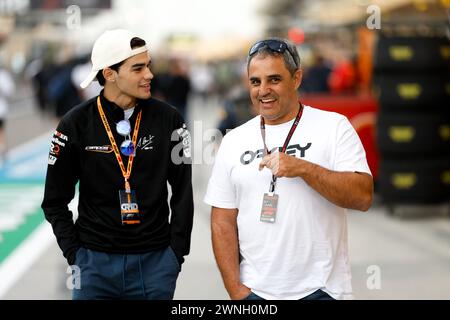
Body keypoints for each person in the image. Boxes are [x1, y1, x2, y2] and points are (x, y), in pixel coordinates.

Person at [204, 38, 373, 300]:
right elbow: (222, 220)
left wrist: (304, 168)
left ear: (296, 78)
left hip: (323, 290)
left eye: (274, 79)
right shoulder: (233, 140)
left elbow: (363, 197)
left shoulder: (333, 126)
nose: (263, 90)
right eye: (255, 82)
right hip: (256, 293)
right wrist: (236, 291)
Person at [41, 29, 194, 300]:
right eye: (138, 68)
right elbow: (54, 200)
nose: (149, 75)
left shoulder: (171, 120)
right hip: (93, 267)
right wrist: (75, 255)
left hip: (156, 264)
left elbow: (183, 191)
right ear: (109, 74)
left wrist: (175, 255)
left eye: (149, 65)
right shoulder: (74, 124)